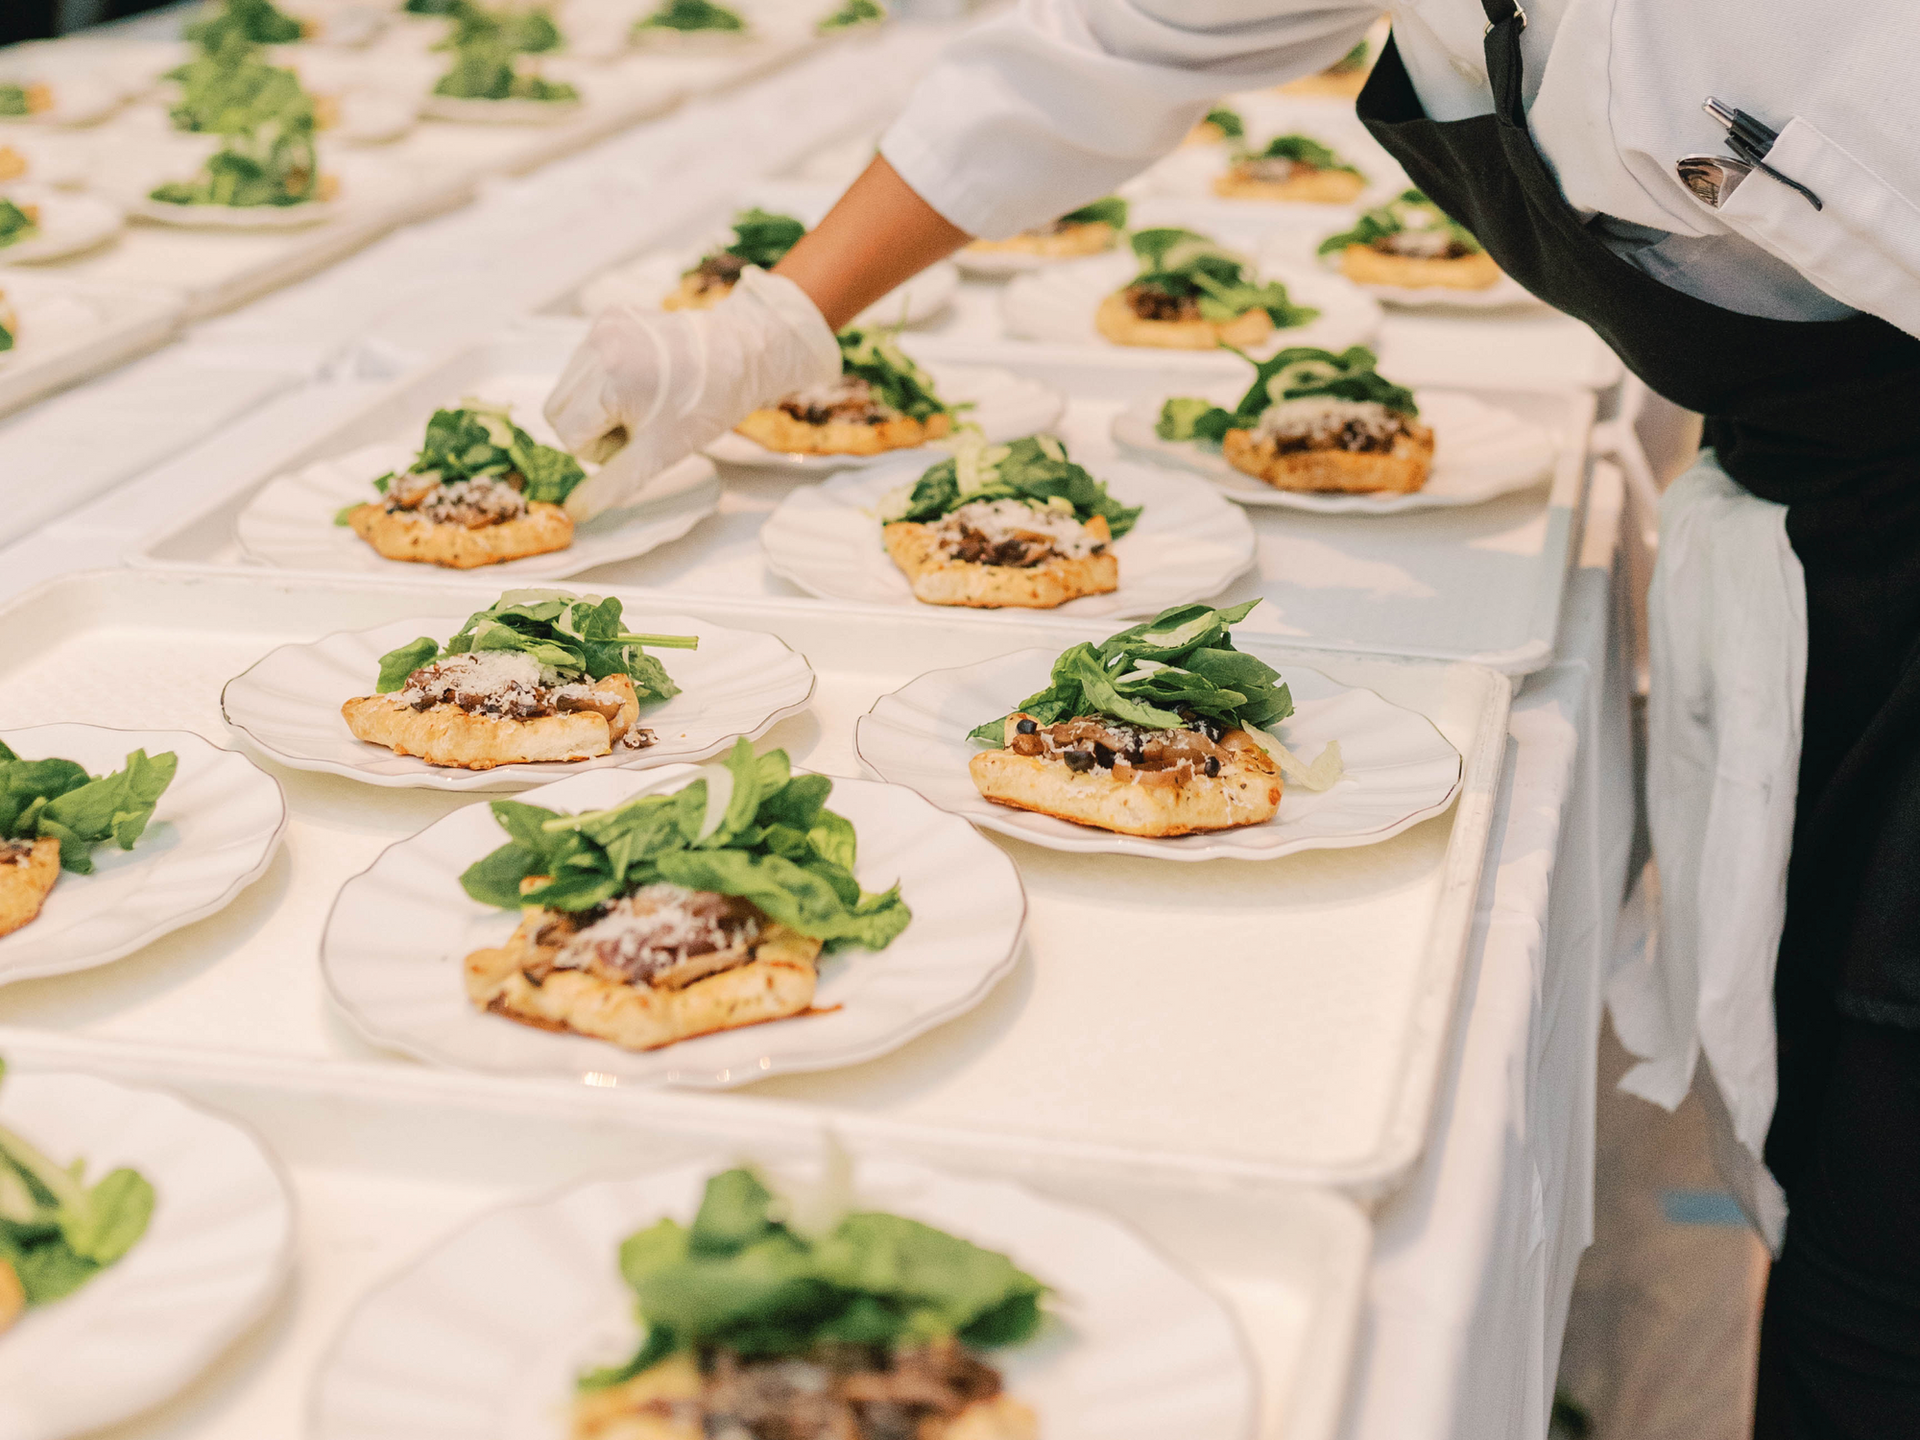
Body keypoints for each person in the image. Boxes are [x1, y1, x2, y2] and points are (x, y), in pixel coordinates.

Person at [544, 4, 1920, 1433]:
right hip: (1839, 526)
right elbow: (1110, 46)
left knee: (1885, 1263)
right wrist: (769, 323)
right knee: (1840, 1157)